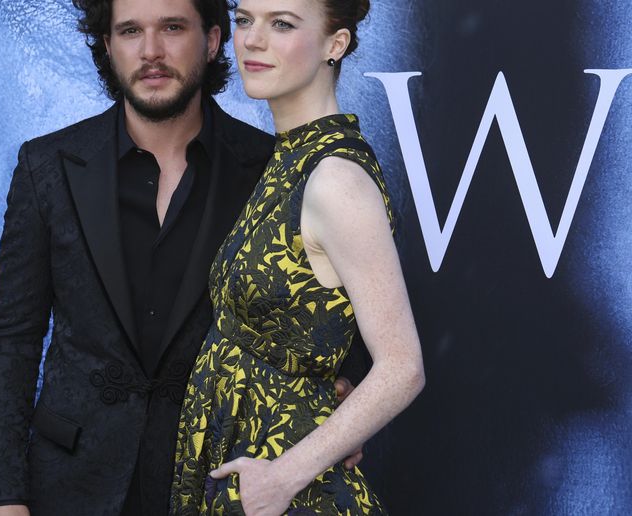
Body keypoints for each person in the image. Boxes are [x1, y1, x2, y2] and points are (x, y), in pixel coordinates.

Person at [0, 0, 370, 514]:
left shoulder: (273, 170)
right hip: (70, 483)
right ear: (108, 44)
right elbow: (11, 339)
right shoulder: (46, 166)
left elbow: (328, 324)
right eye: (131, 31)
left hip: (218, 482)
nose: (151, 51)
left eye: (172, 28)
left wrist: (337, 402)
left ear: (210, 41)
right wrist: (2, 500)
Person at [170, 0, 426, 514]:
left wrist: (282, 477)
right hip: (244, 465)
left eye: (281, 23)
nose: (252, 40)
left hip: (286, 487)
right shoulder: (290, 158)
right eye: (244, 20)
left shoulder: (336, 180)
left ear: (336, 44)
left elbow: (403, 366)